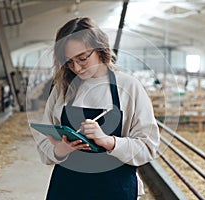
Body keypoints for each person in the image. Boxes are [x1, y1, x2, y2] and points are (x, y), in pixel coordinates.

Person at [34, 17, 160, 200]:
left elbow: (148, 148)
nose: (76, 67)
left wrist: (109, 141)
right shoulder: (63, 89)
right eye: (69, 62)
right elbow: (43, 144)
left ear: (101, 50)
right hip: (67, 188)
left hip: (115, 190)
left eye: (83, 58)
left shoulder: (129, 87)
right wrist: (60, 149)